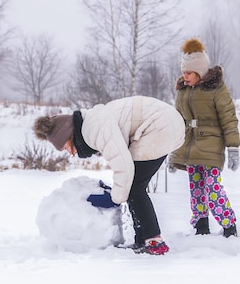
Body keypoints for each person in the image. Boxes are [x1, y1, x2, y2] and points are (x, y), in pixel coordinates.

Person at [33, 95, 185, 255]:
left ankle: (154, 242)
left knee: (134, 188)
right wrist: (120, 190)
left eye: (66, 147)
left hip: (160, 125)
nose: (70, 153)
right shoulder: (92, 125)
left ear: (69, 135)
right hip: (164, 124)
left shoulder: (94, 129)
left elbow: (123, 165)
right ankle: (143, 240)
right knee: (134, 186)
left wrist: (115, 198)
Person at [168, 37, 240, 238]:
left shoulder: (217, 89)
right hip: (190, 146)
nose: (185, 76)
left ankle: (229, 226)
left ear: (200, 71)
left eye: (189, 72)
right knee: (197, 190)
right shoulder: (183, 91)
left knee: (213, 189)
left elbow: (229, 118)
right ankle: (201, 226)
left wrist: (233, 147)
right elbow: (178, 121)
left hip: (211, 146)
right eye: (183, 72)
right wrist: (173, 152)